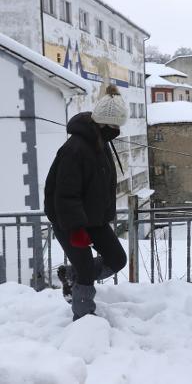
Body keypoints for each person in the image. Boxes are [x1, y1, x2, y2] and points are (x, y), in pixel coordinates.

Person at [44, 84, 128, 321]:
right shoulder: (76, 149)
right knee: (86, 271)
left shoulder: (99, 143)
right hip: (69, 221)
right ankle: (84, 320)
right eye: (115, 125)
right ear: (103, 123)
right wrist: (77, 229)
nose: (118, 130)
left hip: (94, 219)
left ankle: (71, 275)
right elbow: (66, 195)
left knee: (117, 259)